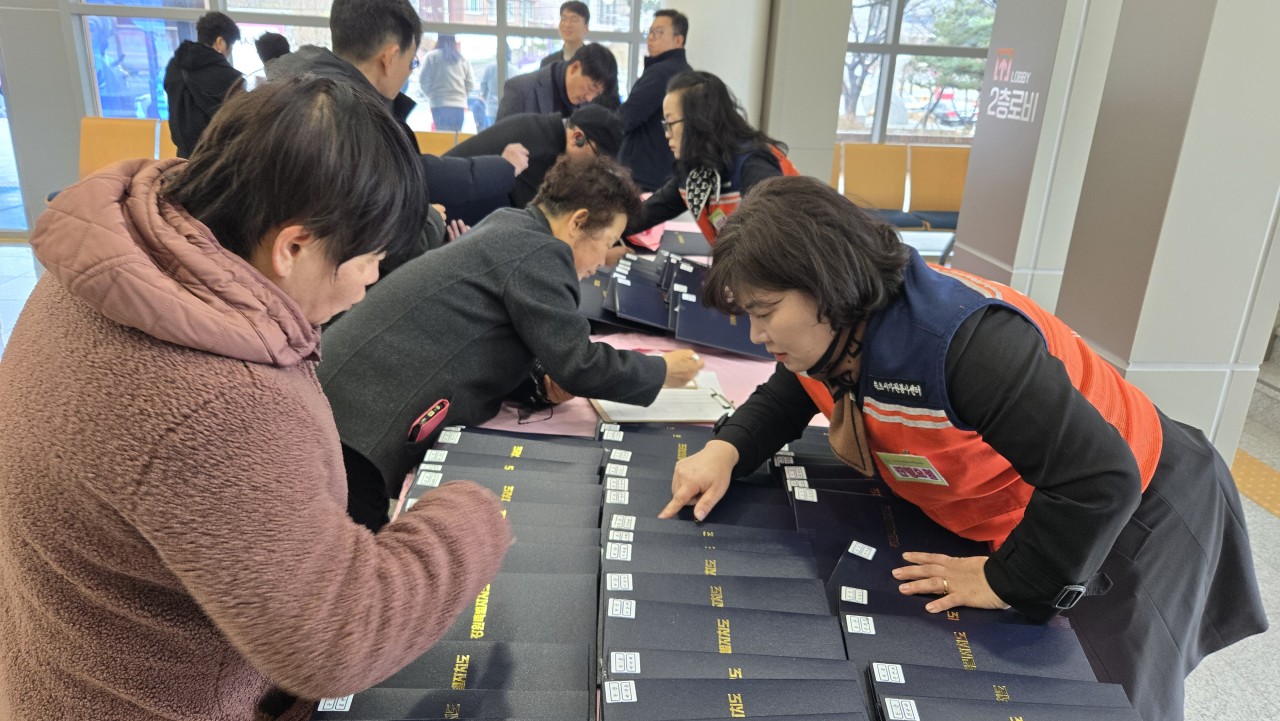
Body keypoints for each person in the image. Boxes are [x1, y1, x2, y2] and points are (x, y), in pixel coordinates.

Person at [661, 175, 1269, 721]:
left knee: (1104, 696)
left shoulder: (963, 343)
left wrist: (1010, 580)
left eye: (765, 312)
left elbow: (1099, 478)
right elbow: (796, 387)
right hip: (1049, 498)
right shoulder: (837, 333)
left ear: (827, 289)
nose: (757, 334)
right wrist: (730, 448)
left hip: (1142, 503)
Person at [0, 76, 511, 721]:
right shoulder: (216, 405)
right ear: (293, 247)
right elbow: (337, 639)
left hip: (60, 663)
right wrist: (472, 518)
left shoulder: (108, 271)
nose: (371, 280)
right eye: (369, 260)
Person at [318, 155, 704, 532]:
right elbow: (579, 363)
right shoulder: (541, 252)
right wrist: (662, 371)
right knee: (355, 557)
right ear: (578, 221)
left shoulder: (512, 226)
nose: (604, 259)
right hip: (359, 423)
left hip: (345, 401)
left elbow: (490, 333)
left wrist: (538, 384)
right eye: (605, 241)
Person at [270, 0, 529, 273]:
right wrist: (431, 224)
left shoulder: (296, 88)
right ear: (390, 57)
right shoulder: (349, 118)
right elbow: (380, 230)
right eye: (412, 61)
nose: (409, 71)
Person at [623, 70, 799, 246]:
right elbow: (645, 214)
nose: (667, 134)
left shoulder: (752, 164)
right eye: (665, 125)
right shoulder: (696, 170)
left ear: (700, 121)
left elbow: (774, 242)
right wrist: (607, 234)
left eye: (671, 123)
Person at [443, 104, 623, 225]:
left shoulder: (543, 129)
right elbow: (534, 225)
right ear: (578, 137)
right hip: (438, 224)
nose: (594, 171)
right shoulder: (539, 152)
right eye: (597, 161)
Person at [618, 9, 690, 191]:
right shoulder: (684, 71)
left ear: (678, 40)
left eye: (658, 33)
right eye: (650, 32)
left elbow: (628, 116)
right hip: (664, 170)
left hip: (645, 173)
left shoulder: (662, 72)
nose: (651, 37)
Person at [162, 11, 244, 158]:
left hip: (183, 157)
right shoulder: (230, 77)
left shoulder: (174, 66)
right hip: (217, 158)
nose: (228, 54)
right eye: (229, 47)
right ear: (220, 42)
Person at [497, 43, 617, 121]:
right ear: (575, 68)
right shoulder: (521, 90)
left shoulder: (590, 105)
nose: (590, 98)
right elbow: (498, 144)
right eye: (591, 87)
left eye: (597, 93)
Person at [418, 34, 476, 132]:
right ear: (454, 40)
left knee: (442, 136)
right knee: (455, 137)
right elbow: (470, 84)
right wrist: (462, 96)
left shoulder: (431, 56)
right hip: (458, 106)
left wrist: (432, 95)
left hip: (438, 104)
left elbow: (423, 81)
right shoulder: (462, 59)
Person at [539, 1, 590, 67]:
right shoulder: (547, 63)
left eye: (574, 19)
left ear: (586, 27)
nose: (567, 24)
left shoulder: (595, 62)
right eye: (563, 19)